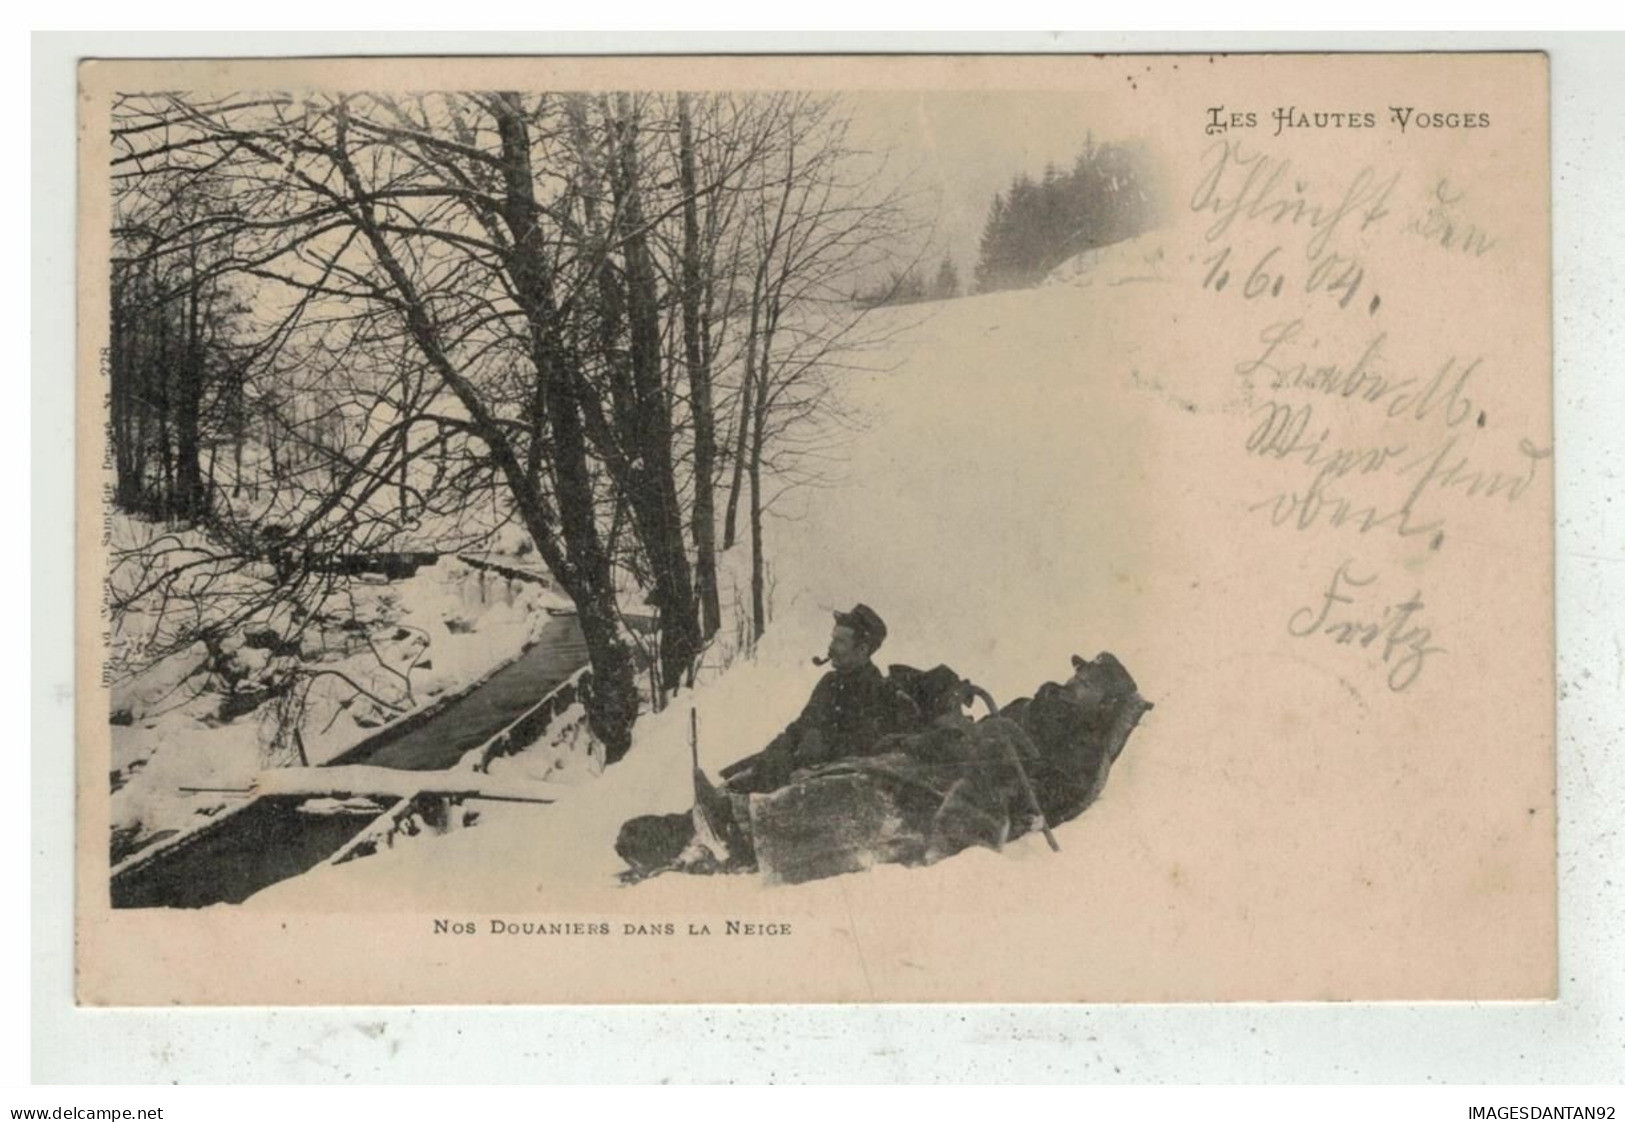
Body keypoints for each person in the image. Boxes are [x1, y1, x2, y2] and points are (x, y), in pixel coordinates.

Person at [720, 604, 919, 795]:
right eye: (832, 639)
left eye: (840, 641)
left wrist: (824, 745)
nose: (831, 648)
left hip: (841, 782)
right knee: (748, 775)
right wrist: (782, 746)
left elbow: (871, 746)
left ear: (862, 649)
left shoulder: (879, 690)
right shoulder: (830, 682)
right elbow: (803, 724)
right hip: (810, 765)